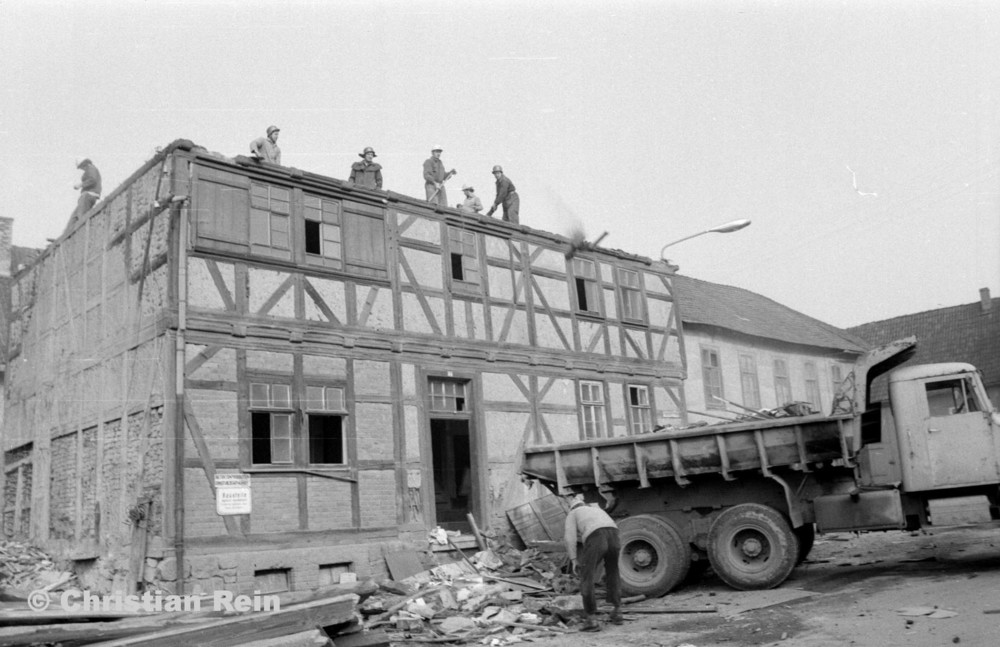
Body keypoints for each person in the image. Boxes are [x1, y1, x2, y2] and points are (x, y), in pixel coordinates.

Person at [563, 493, 623, 632]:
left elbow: (569, 538)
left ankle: (591, 619)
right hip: (614, 535)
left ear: (570, 506)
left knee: (587, 576)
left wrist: (573, 560)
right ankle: (617, 611)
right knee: (613, 572)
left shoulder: (573, 513)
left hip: (596, 536)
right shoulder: (596, 510)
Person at [71, 157, 102, 224]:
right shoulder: (90, 169)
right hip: (88, 195)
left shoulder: (91, 168)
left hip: (89, 194)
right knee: (75, 217)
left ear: (84, 163)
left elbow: (92, 180)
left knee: (82, 217)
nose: (82, 169)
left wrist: (80, 185)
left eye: (81, 167)